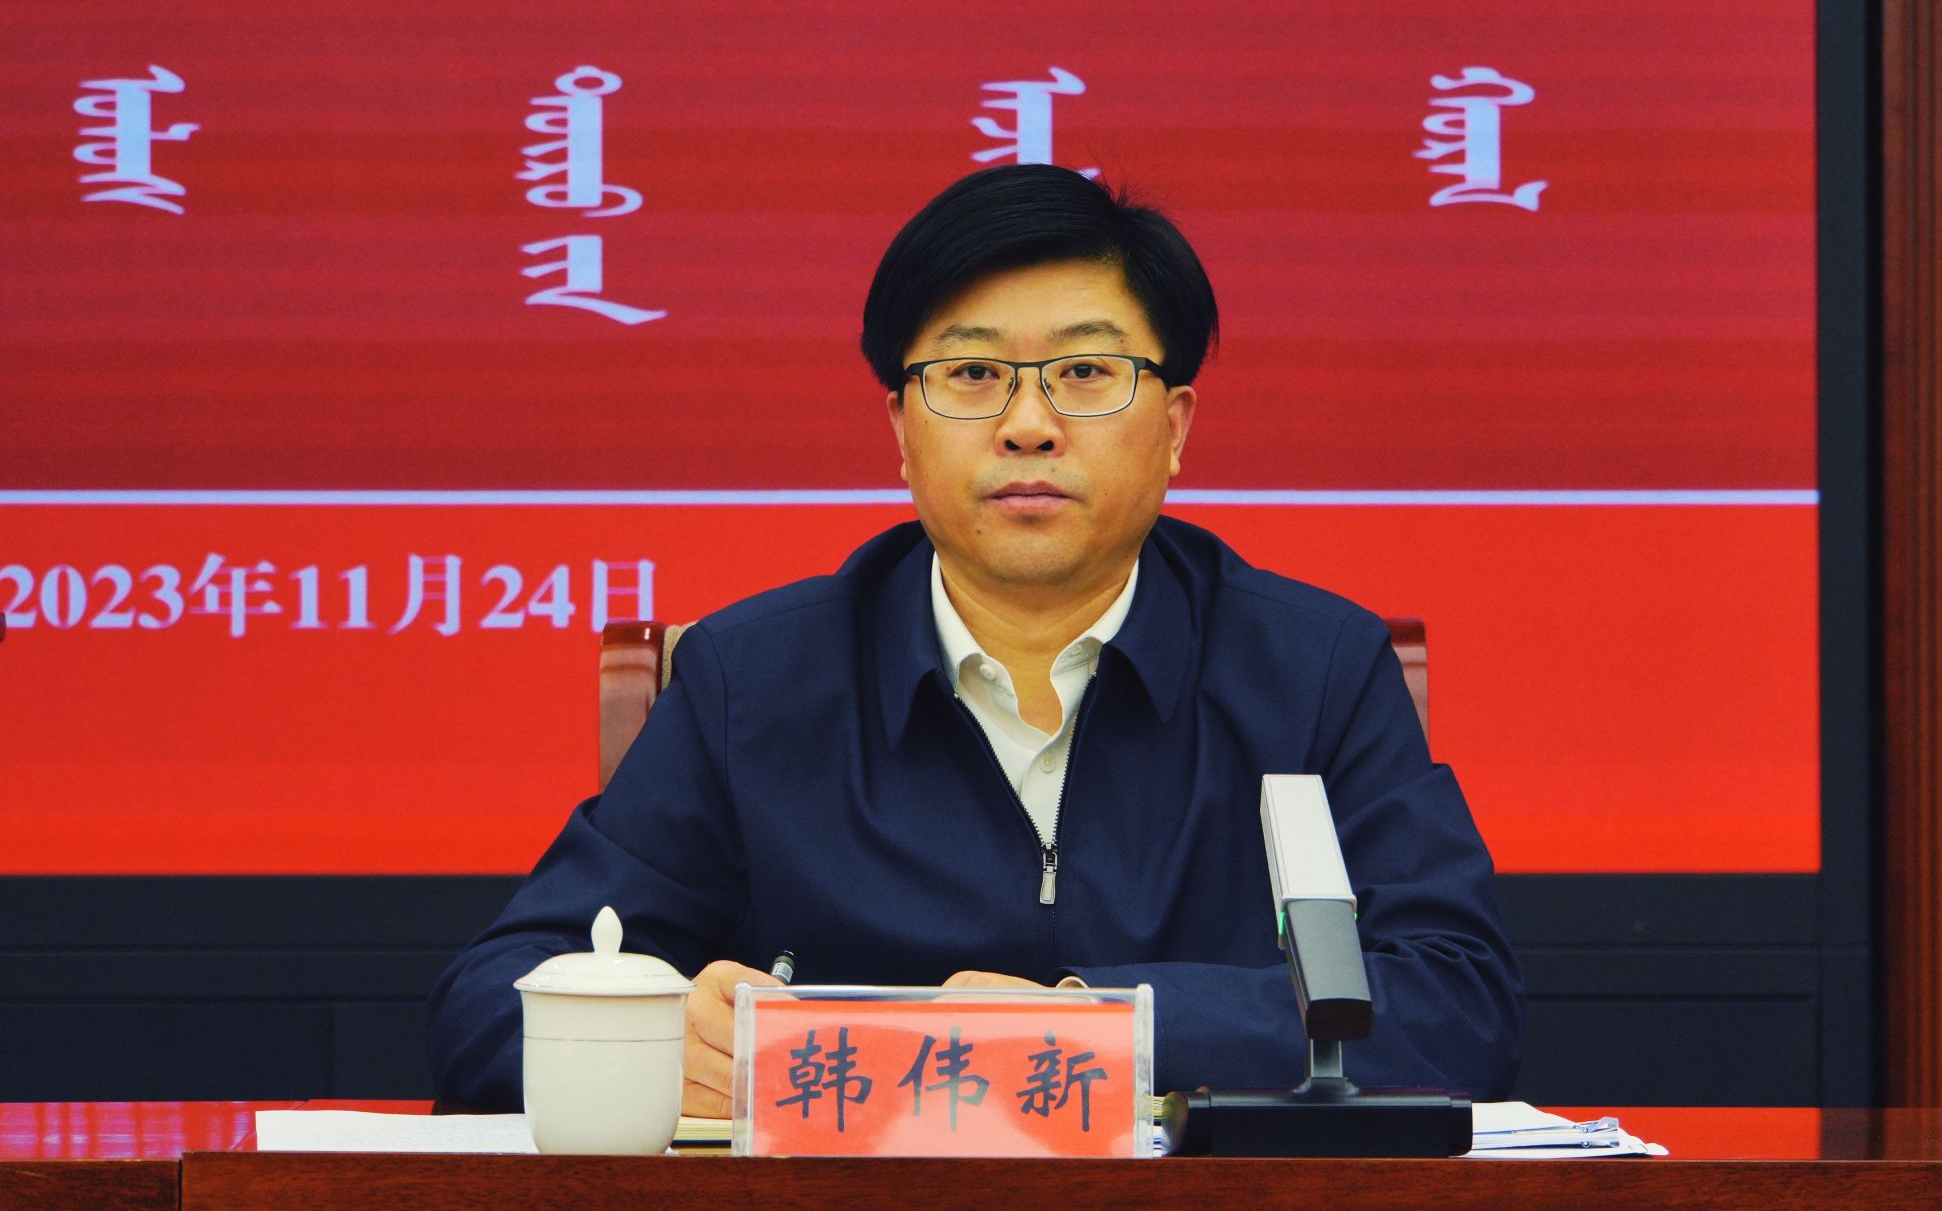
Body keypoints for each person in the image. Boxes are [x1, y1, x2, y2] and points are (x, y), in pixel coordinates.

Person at [426, 165, 1524, 1115]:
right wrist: (656, 1041)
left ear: (1175, 428)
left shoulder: (1314, 672)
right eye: (971, 375)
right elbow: (486, 1007)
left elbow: (1457, 1009)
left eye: (1086, 373)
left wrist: (1103, 1030)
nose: (1028, 424)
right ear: (901, 432)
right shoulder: (750, 680)